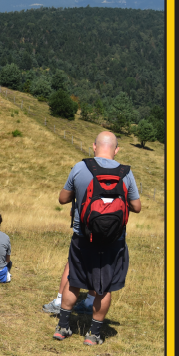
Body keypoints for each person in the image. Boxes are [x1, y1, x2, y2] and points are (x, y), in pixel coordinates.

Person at [52, 131, 140, 345]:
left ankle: (63, 327)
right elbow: (136, 206)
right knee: (104, 287)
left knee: (74, 281)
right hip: (114, 241)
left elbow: (63, 198)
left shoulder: (80, 167)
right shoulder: (126, 173)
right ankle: (93, 335)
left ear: (94, 146)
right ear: (116, 149)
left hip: (83, 236)